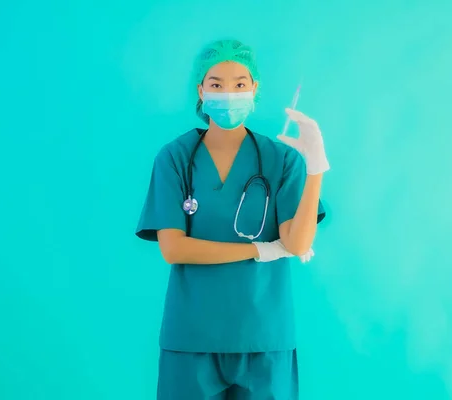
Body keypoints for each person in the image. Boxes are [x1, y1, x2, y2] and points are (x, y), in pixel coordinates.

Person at [135, 39, 330, 400]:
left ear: (254, 87)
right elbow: (174, 248)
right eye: (217, 84)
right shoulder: (174, 158)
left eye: (240, 84)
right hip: (191, 338)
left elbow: (297, 243)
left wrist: (315, 168)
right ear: (201, 90)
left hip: (264, 337)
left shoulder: (281, 160)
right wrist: (257, 250)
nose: (228, 94)